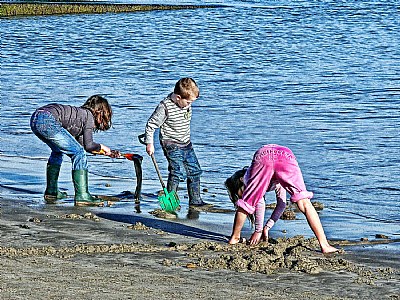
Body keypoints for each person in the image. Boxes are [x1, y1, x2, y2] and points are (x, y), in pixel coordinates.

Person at [225, 144, 338, 254]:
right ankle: (325, 245)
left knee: (247, 203)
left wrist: (259, 230)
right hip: (285, 155)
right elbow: (281, 204)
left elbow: (260, 203)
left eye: (238, 193)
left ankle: (235, 238)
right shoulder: (277, 179)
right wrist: (266, 227)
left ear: (240, 180)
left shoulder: (247, 177)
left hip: (264, 155)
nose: (241, 196)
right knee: (304, 202)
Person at [30, 95, 117, 206]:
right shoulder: (89, 116)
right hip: (47, 119)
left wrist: (106, 153)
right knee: (79, 153)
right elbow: (87, 147)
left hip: (36, 118)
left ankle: (52, 191)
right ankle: (82, 196)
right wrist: (103, 147)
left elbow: (85, 146)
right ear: (100, 112)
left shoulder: (80, 116)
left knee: (58, 151)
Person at [143, 78, 208, 207]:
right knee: (177, 171)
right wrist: (149, 143)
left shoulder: (186, 102)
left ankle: (195, 200)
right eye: (188, 102)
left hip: (186, 142)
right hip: (171, 143)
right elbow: (151, 125)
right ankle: (170, 200)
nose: (190, 105)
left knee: (195, 170)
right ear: (178, 97)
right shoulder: (165, 107)